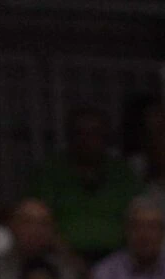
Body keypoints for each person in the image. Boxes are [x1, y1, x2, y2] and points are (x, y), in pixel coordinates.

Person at [31, 107, 141, 261]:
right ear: (70, 137)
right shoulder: (51, 172)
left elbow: (139, 217)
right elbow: (39, 222)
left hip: (119, 259)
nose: (87, 139)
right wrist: (70, 259)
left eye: (94, 133)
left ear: (106, 137)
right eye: (80, 133)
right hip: (60, 258)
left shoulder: (122, 173)